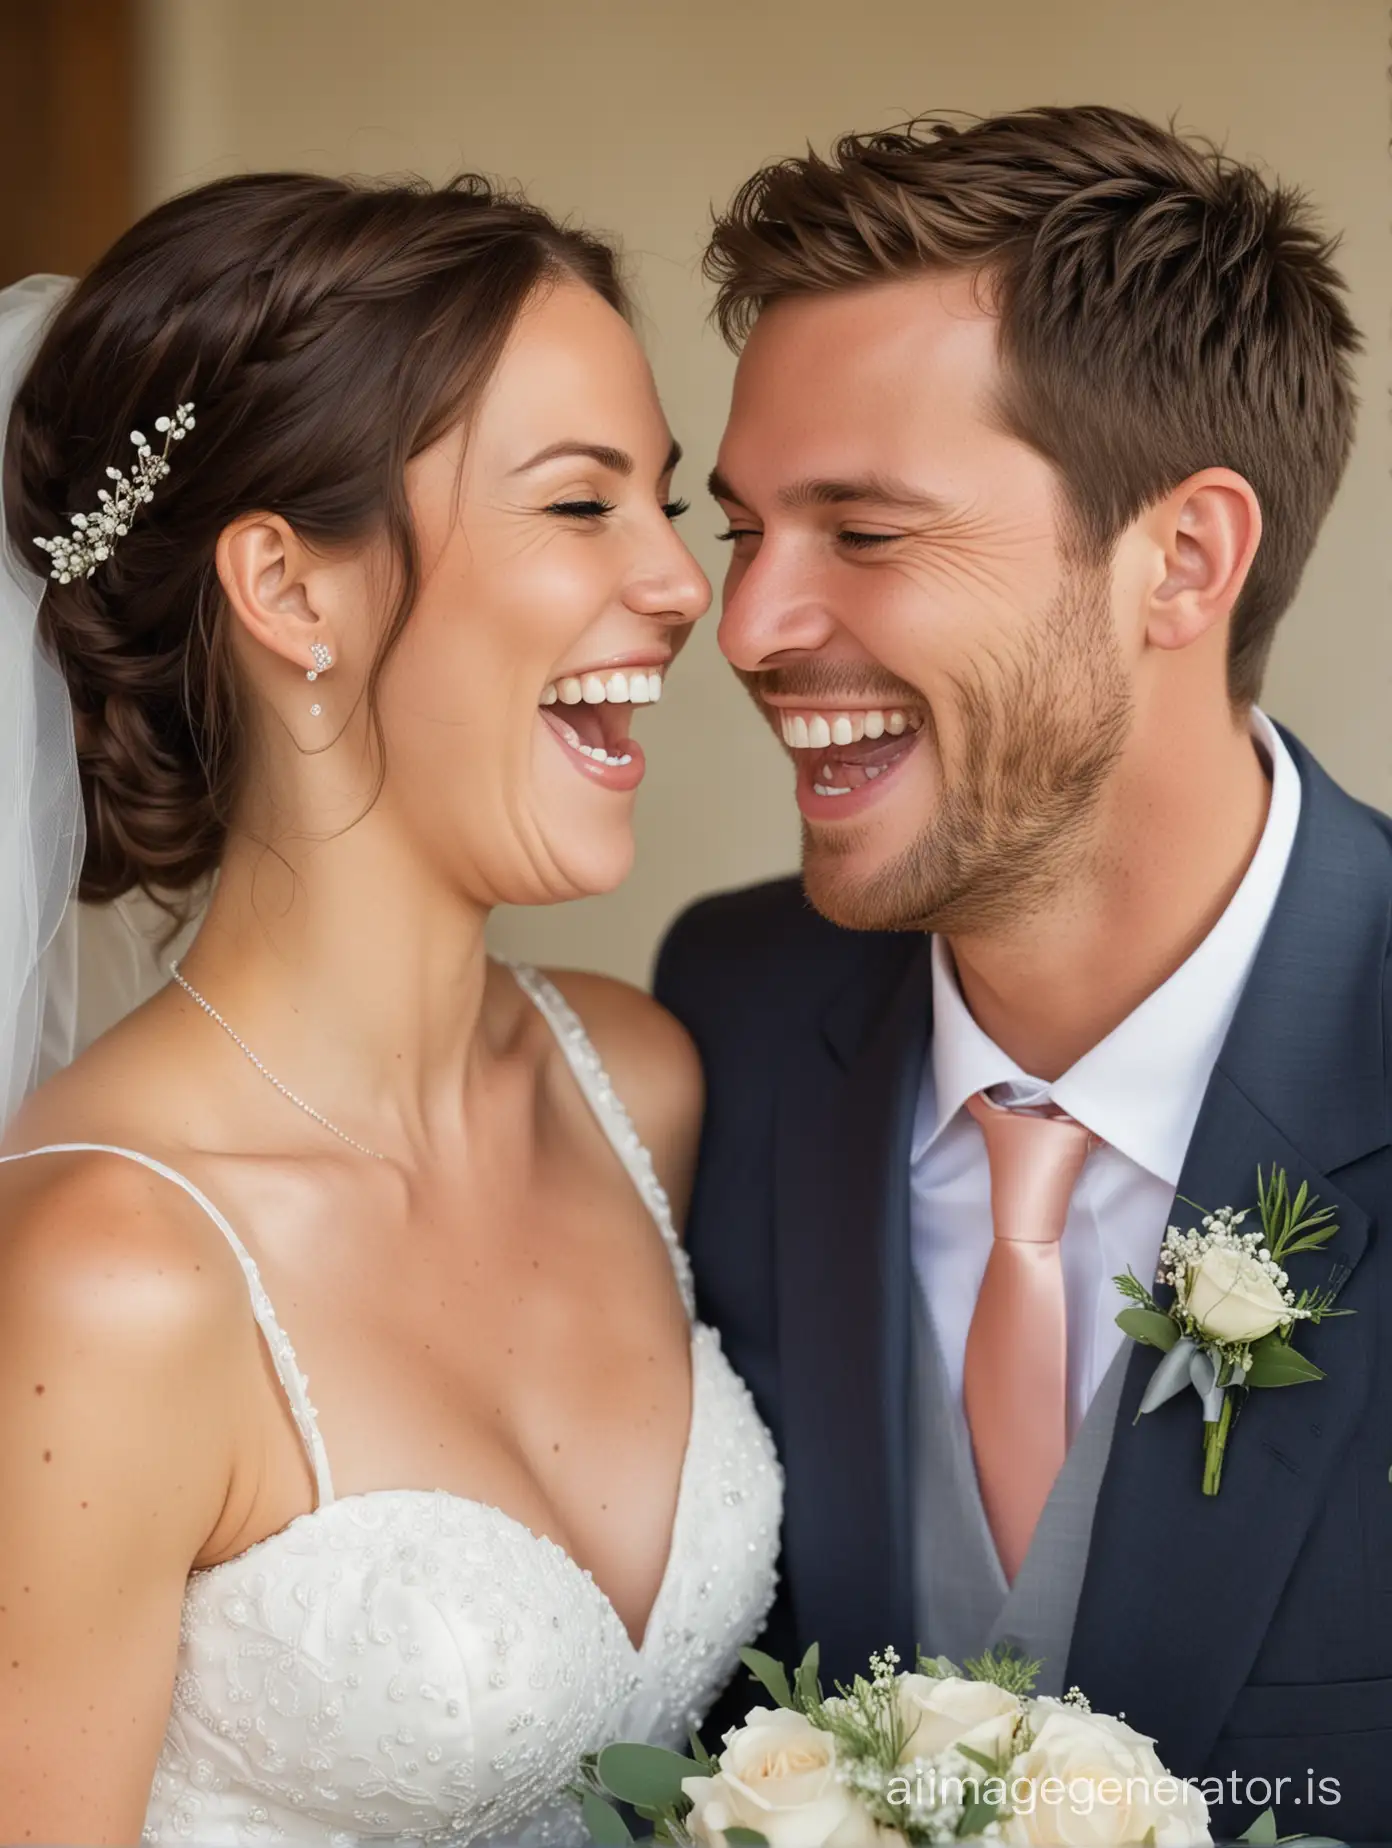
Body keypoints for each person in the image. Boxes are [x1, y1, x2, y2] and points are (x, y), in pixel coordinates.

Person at [0, 174, 780, 1846]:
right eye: (580, 508)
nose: (680, 585)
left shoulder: (637, 1084)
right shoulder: (109, 1273)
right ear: (289, 591)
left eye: (661, 501)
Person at [655, 104, 1388, 1842]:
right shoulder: (726, 1019)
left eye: (869, 531)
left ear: (1184, 560)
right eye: (748, 528)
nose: (745, 626)